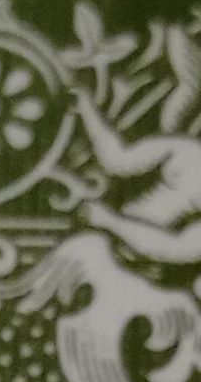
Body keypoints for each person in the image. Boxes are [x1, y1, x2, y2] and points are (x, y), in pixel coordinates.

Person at [76, 86, 201, 264]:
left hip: (135, 260)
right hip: (102, 236)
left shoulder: (188, 151)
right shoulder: (189, 151)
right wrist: (86, 107)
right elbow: (118, 159)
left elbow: (177, 249)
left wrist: (107, 220)